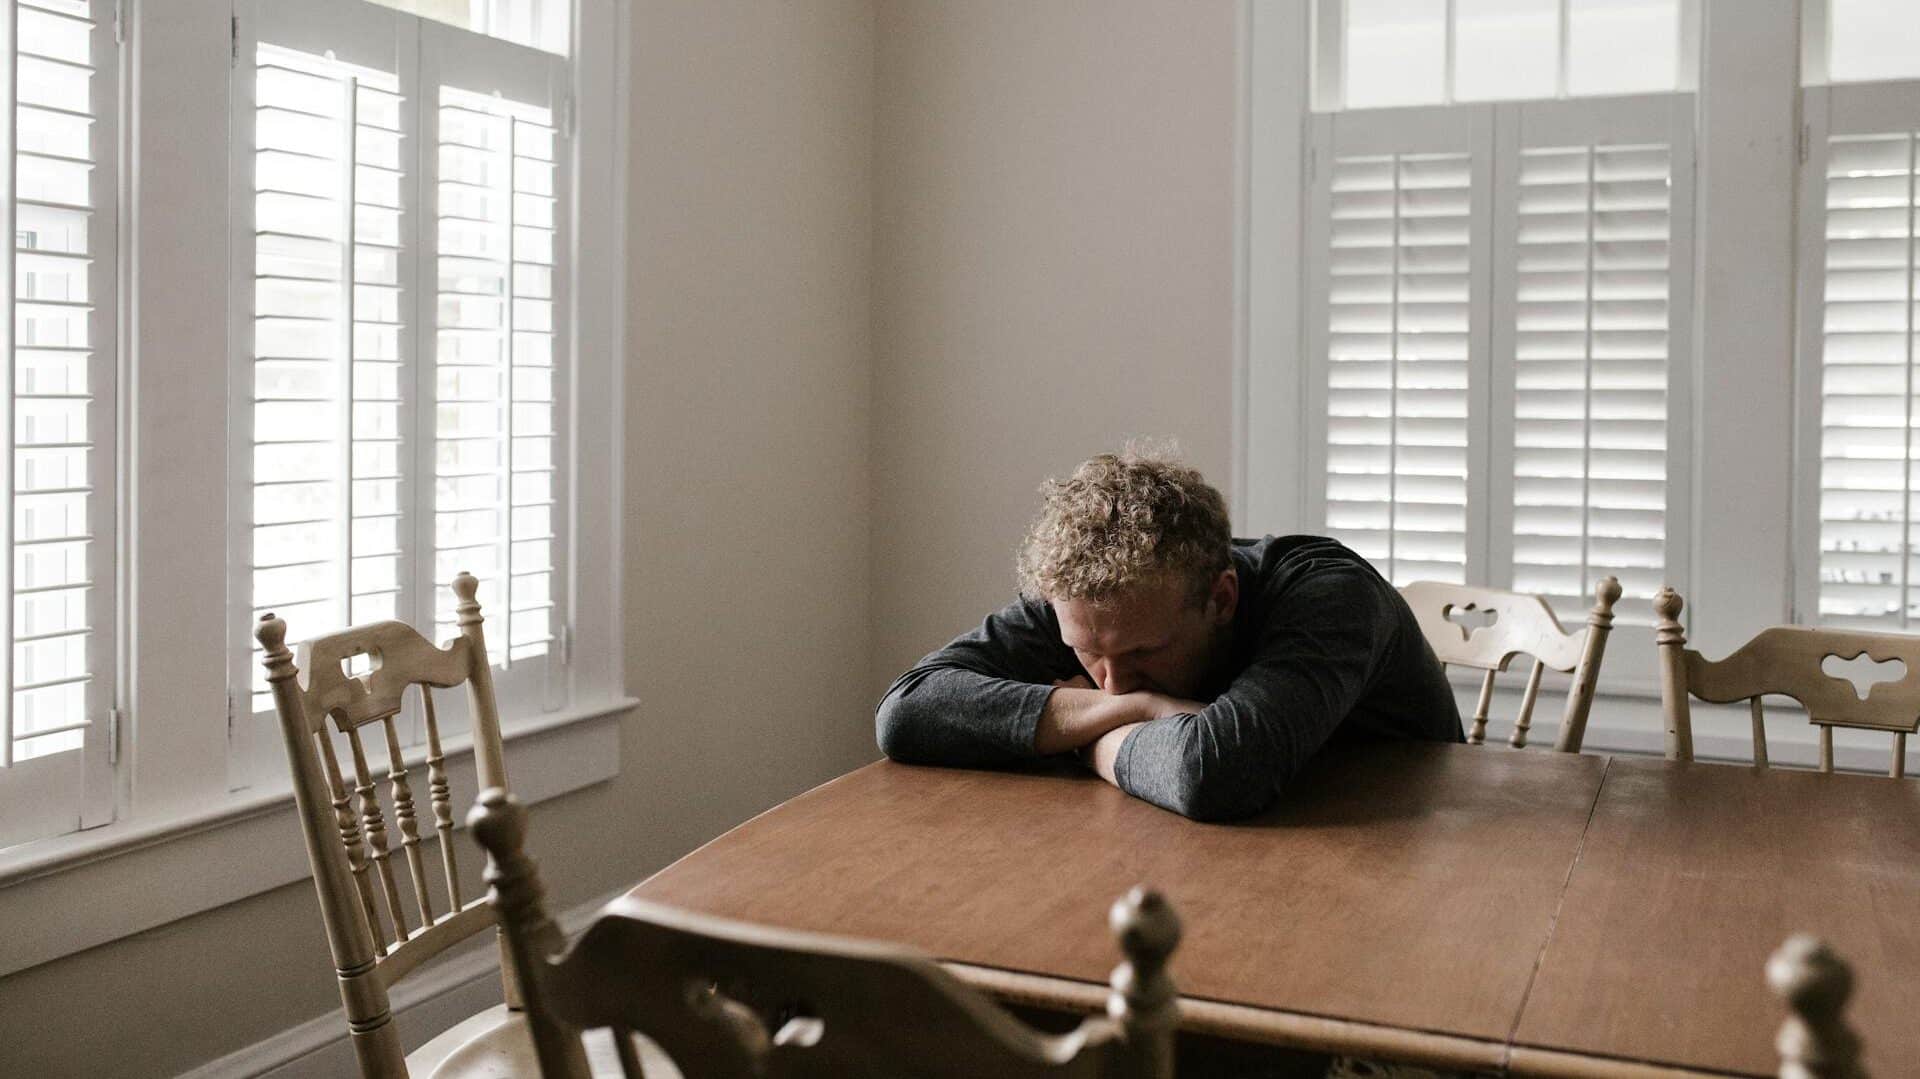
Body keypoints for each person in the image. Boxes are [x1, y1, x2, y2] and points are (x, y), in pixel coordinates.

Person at [874, 447, 1462, 822]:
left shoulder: (1330, 594)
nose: (1113, 682)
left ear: (1222, 598)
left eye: (1143, 655)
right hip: (1219, 846)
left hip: (1422, 849)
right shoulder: (1094, 602)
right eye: (1087, 654)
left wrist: (1087, 739)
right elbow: (906, 712)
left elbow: (1215, 773)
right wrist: (1143, 708)